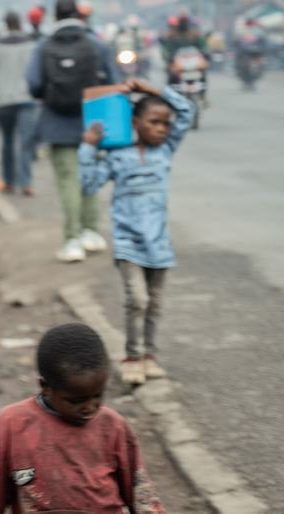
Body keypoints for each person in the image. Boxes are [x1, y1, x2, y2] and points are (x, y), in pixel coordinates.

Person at [79, 79, 194, 385]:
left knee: (154, 304)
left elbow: (186, 110)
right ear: (135, 122)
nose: (161, 129)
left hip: (160, 244)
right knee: (138, 301)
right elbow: (89, 185)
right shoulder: (117, 156)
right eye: (154, 122)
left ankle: (149, 356)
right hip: (128, 242)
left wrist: (154, 90)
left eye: (165, 124)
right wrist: (88, 147)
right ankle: (132, 356)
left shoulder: (165, 151)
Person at [0, 323, 166, 513]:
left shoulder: (112, 426)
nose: (89, 407)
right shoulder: (12, 424)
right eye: (76, 401)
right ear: (45, 387)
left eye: (97, 396)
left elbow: (142, 495)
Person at [26, 0, 121, 263]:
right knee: (89, 175)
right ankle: (91, 231)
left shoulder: (44, 46)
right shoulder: (96, 44)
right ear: (79, 15)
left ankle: (72, 239)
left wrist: (52, 94)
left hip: (56, 122)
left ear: (54, 16)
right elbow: (114, 81)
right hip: (92, 122)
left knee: (69, 180)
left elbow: (33, 84)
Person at [0, 11, 38, 196]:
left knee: (7, 141)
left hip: (3, 101)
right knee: (25, 142)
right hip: (27, 99)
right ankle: (26, 183)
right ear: (20, 24)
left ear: (5, 25)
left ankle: (8, 181)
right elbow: (36, 74)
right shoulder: (31, 46)